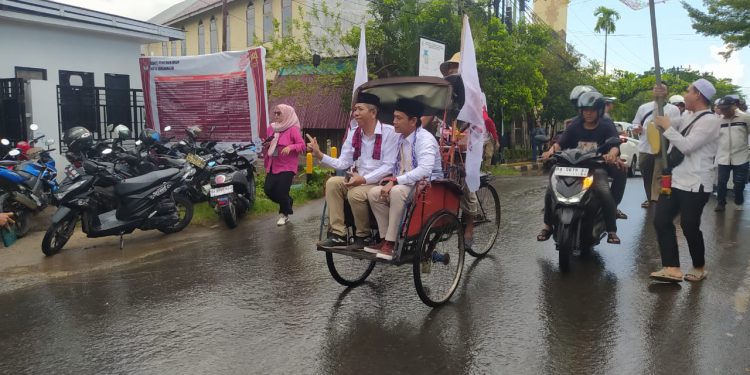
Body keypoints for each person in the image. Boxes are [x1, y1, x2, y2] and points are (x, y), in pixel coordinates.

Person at [650, 79, 720, 283]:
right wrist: (658, 99)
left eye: (688, 91)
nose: (686, 94)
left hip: (696, 183)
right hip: (675, 180)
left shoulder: (711, 121)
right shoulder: (687, 115)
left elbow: (687, 146)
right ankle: (672, 268)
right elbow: (659, 122)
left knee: (689, 226)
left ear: (698, 94)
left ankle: (699, 266)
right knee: (661, 220)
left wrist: (668, 128)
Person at [308, 93, 399, 249]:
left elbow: (389, 166)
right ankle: (338, 234)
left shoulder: (390, 133)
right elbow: (344, 163)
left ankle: (363, 235)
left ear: (373, 112)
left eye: (360, 109)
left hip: (378, 182)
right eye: (355, 109)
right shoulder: (354, 133)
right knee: (332, 183)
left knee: (355, 193)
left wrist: (363, 179)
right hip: (357, 179)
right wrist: (320, 154)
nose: (355, 113)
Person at [538, 91, 621, 245]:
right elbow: (560, 143)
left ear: (599, 111)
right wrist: (549, 152)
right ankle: (547, 225)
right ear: (581, 111)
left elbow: (614, 145)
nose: (588, 114)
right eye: (585, 110)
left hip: (596, 168)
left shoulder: (606, 125)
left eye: (592, 110)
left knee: (604, 192)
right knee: (551, 190)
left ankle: (611, 231)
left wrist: (611, 154)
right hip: (570, 166)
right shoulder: (575, 125)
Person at [365, 99, 443, 260]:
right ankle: (384, 237)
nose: (394, 122)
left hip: (428, 184)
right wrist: (390, 179)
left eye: (399, 118)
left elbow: (425, 170)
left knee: (397, 191)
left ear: (413, 121)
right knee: (374, 193)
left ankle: (391, 243)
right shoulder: (401, 138)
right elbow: (396, 165)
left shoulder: (425, 139)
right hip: (408, 181)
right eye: (394, 117)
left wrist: (395, 181)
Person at [632, 83, 682, 208]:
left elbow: (676, 127)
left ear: (667, 93)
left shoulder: (673, 110)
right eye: (655, 89)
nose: (658, 91)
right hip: (645, 147)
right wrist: (636, 128)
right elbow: (635, 122)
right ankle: (650, 198)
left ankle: (657, 201)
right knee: (646, 174)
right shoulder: (644, 108)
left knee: (659, 176)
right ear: (652, 92)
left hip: (664, 148)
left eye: (662, 89)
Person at [263, 104, 306, 226]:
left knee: (282, 191)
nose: (275, 116)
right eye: (275, 113)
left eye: (279, 113)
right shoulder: (271, 128)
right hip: (273, 164)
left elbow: (302, 145)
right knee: (268, 190)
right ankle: (288, 201)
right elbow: (269, 141)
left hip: (287, 166)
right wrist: (267, 144)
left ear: (286, 114)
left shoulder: (292, 129)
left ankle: (284, 214)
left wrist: (290, 147)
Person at [714, 95, 749, 212]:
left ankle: (738, 199)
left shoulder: (745, 118)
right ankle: (721, 203)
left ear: (734, 106)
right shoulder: (719, 120)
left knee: (739, 183)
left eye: (726, 109)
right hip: (724, 157)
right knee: (721, 182)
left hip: (741, 156)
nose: (724, 111)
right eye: (722, 109)